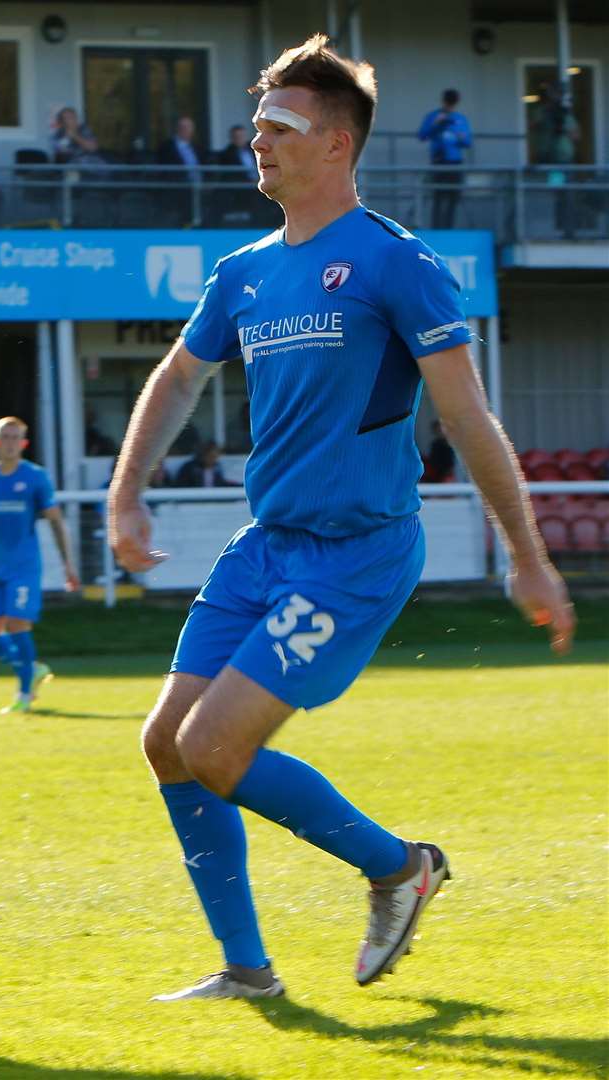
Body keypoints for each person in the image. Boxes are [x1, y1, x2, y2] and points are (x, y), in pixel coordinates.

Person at [107, 34, 575, 1004]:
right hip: (265, 548)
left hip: (355, 554)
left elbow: (465, 414)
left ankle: (397, 867)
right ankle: (247, 970)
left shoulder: (391, 261)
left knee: (214, 750)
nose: (257, 141)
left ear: (337, 145)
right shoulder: (239, 272)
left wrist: (524, 557)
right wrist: (124, 489)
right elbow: (177, 377)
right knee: (165, 743)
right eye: (255, 125)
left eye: (279, 126)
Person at [0, 417, 80, 714]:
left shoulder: (36, 478)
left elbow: (55, 522)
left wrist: (68, 563)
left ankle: (25, 695)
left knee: (16, 624)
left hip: (25, 568)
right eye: (5, 436)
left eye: (16, 437)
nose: (11, 442)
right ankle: (33, 667)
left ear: (24, 443)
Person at [417, 89, 472, 229]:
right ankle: (437, 227)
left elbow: (468, 142)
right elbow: (422, 135)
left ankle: (449, 227)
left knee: (453, 196)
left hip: (455, 162)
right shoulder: (434, 116)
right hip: (439, 160)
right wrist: (436, 124)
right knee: (438, 196)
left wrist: (461, 137)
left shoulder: (460, 119)